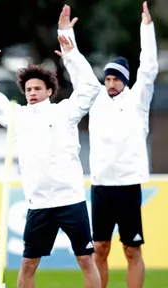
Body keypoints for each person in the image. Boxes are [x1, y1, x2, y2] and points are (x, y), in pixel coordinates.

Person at [0, 31, 102, 286]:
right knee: (28, 263)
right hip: (38, 205)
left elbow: (90, 88)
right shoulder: (18, 116)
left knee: (86, 260)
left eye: (37, 88)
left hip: (71, 200)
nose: (32, 93)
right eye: (28, 89)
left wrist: (72, 57)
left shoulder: (65, 111)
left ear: (50, 90)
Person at [57, 2, 158, 287]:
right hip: (102, 186)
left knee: (131, 249)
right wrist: (65, 32)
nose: (110, 83)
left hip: (128, 186)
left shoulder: (138, 99)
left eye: (115, 79)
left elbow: (149, 67)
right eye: (108, 78)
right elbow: (80, 73)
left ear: (125, 81)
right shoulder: (96, 98)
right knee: (99, 248)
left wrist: (146, 27)